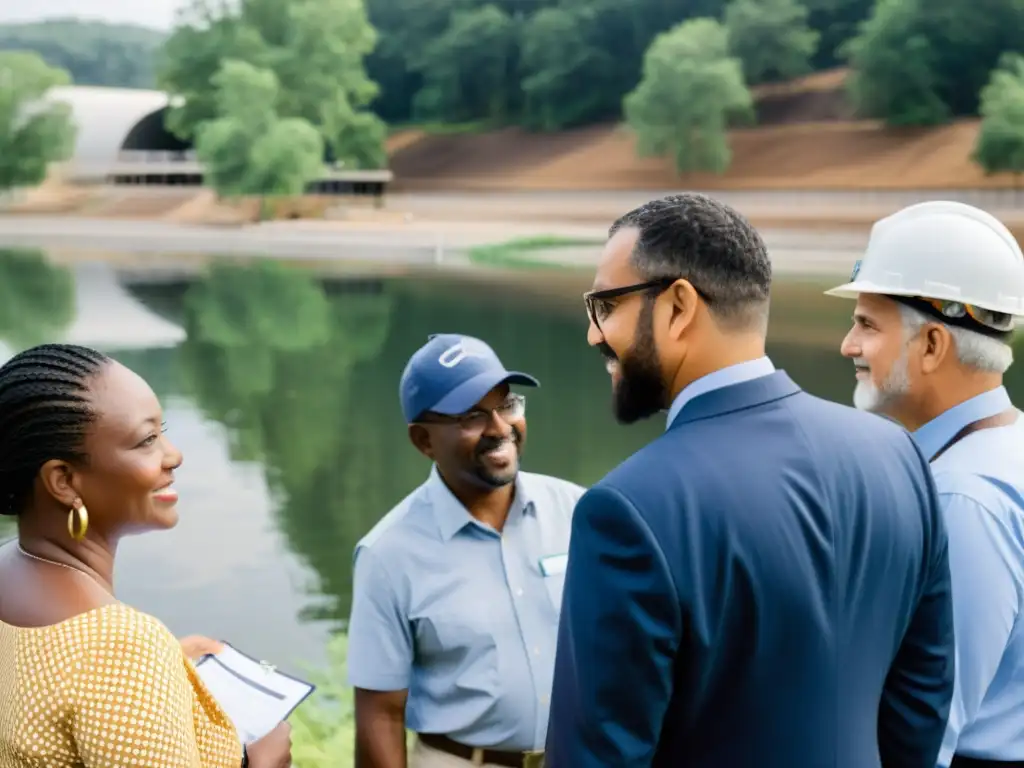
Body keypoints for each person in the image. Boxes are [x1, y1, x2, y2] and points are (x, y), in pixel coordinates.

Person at [545, 193, 956, 767]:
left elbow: (598, 755)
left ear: (678, 307)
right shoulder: (897, 456)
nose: (594, 334)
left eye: (605, 306)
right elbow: (921, 702)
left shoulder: (628, 508)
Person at [0, 343, 292, 768]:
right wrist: (261, 761)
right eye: (146, 441)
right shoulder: (121, 647)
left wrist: (168, 667)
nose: (174, 455)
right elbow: (97, 660)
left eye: (163, 431)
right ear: (63, 481)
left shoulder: (9, 566)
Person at [826, 200, 1024, 768]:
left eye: (867, 324)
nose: (848, 345)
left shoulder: (961, 501)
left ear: (933, 345)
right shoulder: (1001, 455)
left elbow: (925, 732)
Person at [348, 334, 586, 768]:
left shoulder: (577, 512)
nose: (500, 427)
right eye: (472, 416)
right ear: (423, 440)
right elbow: (379, 713)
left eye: (508, 405)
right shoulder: (388, 555)